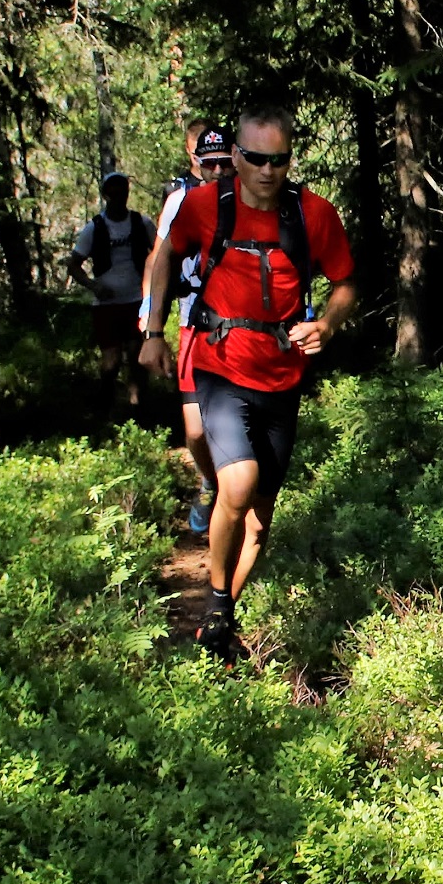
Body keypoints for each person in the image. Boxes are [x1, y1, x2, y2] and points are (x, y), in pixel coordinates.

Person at [140, 106, 358, 664]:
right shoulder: (203, 205)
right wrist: (153, 328)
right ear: (235, 156)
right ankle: (215, 605)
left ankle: (221, 615)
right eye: (255, 157)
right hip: (218, 364)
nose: (266, 169)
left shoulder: (312, 214)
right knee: (236, 486)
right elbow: (165, 255)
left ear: (289, 159)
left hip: (281, 376)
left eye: (278, 159)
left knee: (259, 522)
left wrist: (327, 325)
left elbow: (344, 284)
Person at [143, 124, 236, 533]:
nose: (216, 170)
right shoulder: (181, 199)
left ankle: (238, 504)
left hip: (239, 328)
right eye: (208, 162)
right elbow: (160, 257)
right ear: (195, 160)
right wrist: (151, 322)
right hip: (192, 323)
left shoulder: (251, 197)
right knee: (195, 429)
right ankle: (210, 482)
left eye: (223, 162)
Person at [67, 171, 155, 409]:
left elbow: (160, 254)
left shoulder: (141, 223)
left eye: (123, 192)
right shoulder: (94, 228)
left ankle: (139, 408)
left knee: (138, 357)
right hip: (106, 305)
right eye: (113, 193)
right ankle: (105, 405)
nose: (118, 198)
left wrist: (156, 286)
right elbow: (74, 264)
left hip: (137, 300)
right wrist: (93, 285)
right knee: (111, 359)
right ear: (105, 195)